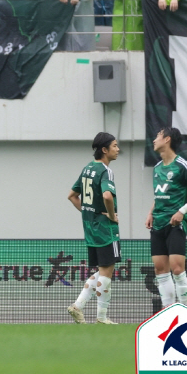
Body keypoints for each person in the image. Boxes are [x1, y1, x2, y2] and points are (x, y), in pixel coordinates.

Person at [146, 127, 187, 308]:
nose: (154, 140)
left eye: (157, 136)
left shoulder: (183, 165)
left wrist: (182, 211)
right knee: (160, 270)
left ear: (167, 139)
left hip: (175, 224)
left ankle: (185, 311)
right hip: (157, 223)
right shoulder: (157, 168)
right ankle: (168, 313)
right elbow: (159, 194)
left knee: (177, 269)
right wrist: (151, 212)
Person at [67, 132, 120, 325]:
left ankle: (77, 306)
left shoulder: (87, 168)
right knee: (106, 273)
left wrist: (88, 213)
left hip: (90, 229)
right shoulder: (105, 171)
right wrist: (112, 216)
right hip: (105, 230)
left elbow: (72, 195)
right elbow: (107, 196)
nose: (118, 149)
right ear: (104, 150)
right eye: (114, 146)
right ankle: (102, 318)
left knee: (100, 271)